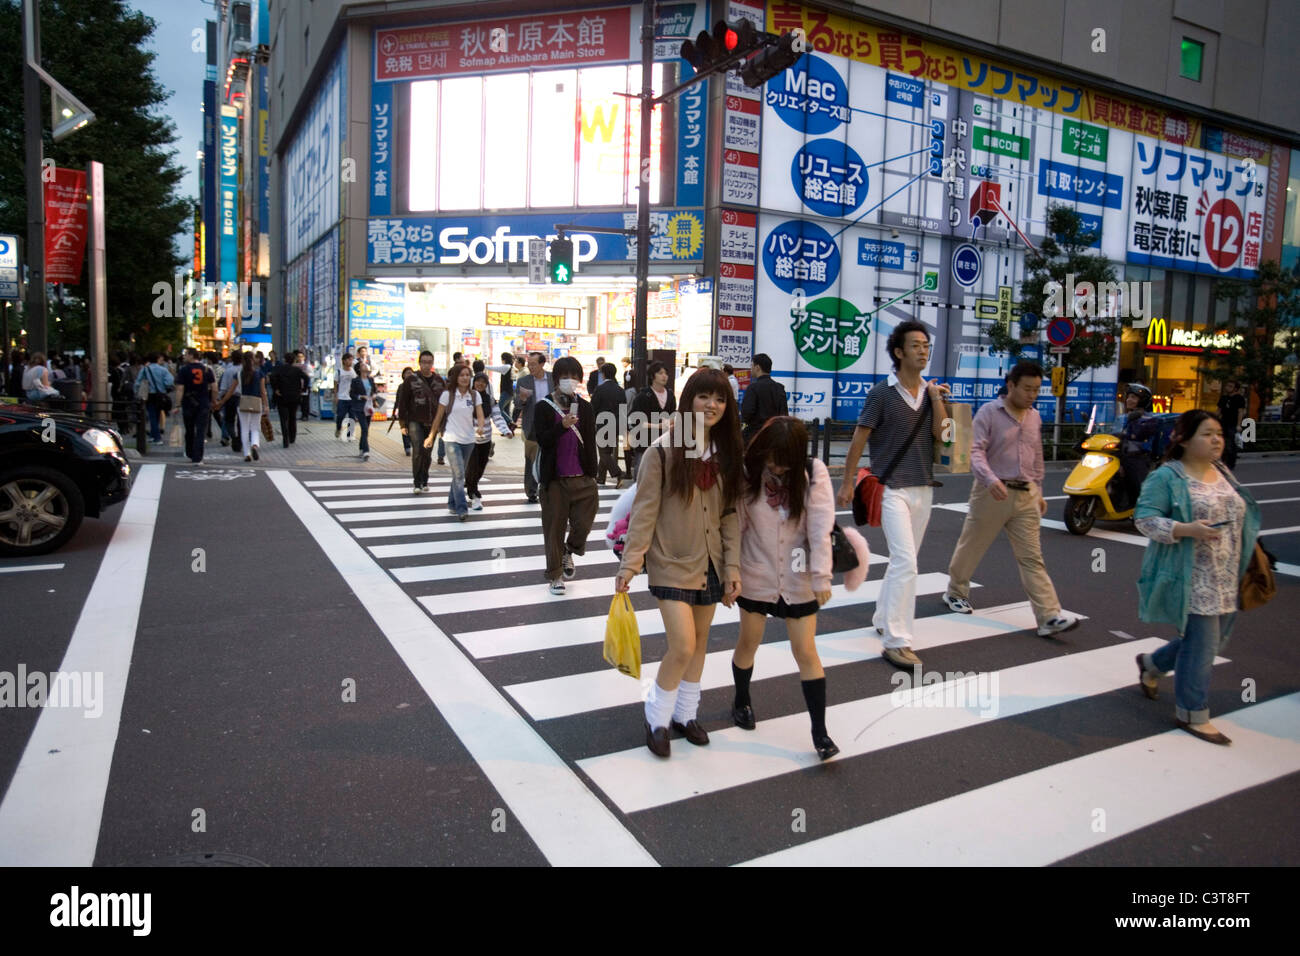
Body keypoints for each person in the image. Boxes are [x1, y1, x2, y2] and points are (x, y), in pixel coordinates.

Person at [616, 368, 744, 758]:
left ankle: (685, 714)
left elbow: (730, 516)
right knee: (683, 644)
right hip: (670, 560)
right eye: (704, 397)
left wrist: (733, 568)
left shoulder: (726, 455)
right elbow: (645, 512)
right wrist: (630, 564)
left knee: (702, 641)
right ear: (689, 401)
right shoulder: (662, 452)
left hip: (711, 564)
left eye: (720, 399)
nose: (713, 405)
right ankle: (656, 717)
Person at [1133, 410, 1261, 745]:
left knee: (1206, 641)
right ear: (1185, 439)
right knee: (1204, 645)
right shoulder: (1167, 477)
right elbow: (1144, 518)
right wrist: (1183, 529)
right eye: (1207, 433)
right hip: (1190, 575)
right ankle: (1192, 712)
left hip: (1227, 573)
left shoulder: (1221, 472)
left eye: (1219, 432)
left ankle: (1152, 664)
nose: (1216, 439)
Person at [835, 320, 950, 669]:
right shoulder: (881, 394)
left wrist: (935, 399)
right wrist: (847, 481)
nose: (923, 351)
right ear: (898, 352)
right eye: (916, 345)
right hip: (891, 489)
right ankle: (897, 640)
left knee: (905, 561)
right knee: (906, 562)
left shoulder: (929, 394)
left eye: (926, 345)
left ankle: (884, 618)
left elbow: (944, 436)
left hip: (923, 488)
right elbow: (859, 438)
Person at [731, 416, 840, 760]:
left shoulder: (812, 472)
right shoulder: (748, 475)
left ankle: (819, 732)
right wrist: (731, 571)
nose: (776, 465)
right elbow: (735, 526)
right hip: (756, 569)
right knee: (749, 642)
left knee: (805, 651)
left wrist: (822, 575)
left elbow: (822, 525)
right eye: (770, 456)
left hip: (798, 572)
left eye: (783, 458)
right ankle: (742, 699)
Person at [943, 361, 1077, 636]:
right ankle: (956, 591)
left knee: (1032, 558)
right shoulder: (989, 412)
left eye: (1037, 389)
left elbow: (1036, 455)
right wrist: (990, 479)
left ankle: (1048, 616)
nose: (1032, 394)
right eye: (1027, 388)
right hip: (991, 491)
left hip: (1025, 494)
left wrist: (1037, 490)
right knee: (972, 545)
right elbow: (975, 451)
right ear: (1011, 385)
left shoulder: (1035, 417)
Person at [533, 357, 600, 594]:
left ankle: (569, 551)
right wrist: (561, 426)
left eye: (574, 376)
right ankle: (555, 577)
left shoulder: (585, 407)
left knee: (584, 521)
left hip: (582, 476)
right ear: (556, 379)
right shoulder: (543, 406)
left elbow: (590, 441)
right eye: (565, 376)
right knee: (554, 528)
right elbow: (541, 439)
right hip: (555, 479)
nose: (570, 380)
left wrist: (594, 472)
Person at [425, 363, 485, 521]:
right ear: (456, 378)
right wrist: (431, 436)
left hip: (469, 439)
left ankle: (452, 503)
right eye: (462, 375)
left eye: (467, 375)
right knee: (459, 475)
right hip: (451, 439)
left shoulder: (474, 395)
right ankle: (461, 508)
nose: (465, 378)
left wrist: (480, 426)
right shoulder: (447, 394)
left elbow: (480, 414)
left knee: (458, 474)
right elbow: (438, 417)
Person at [397, 350, 446, 494]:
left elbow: (444, 404)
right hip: (415, 420)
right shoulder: (411, 380)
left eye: (429, 362)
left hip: (433, 422)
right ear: (419, 363)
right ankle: (417, 482)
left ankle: (425, 479)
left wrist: (443, 425)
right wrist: (402, 424)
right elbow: (403, 402)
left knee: (427, 452)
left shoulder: (439, 380)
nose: (426, 365)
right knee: (418, 450)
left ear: (432, 363)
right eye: (424, 362)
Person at [466, 372, 515, 509]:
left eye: (483, 382)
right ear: (473, 382)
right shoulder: (467, 398)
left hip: (486, 440)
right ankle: (474, 494)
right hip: (470, 440)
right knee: (473, 467)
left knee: (481, 467)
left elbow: (497, 416)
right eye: (478, 381)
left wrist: (505, 430)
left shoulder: (490, 399)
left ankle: (470, 484)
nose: (480, 384)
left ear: (486, 385)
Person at [514, 352, 550, 504]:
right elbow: (516, 405)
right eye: (529, 364)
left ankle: (548, 487)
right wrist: (522, 399)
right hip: (532, 425)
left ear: (542, 364)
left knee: (549, 458)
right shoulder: (524, 380)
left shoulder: (553, 378)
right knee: (531, 460)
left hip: (551, 423)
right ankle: (531, 491)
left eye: (534, 364)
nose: (531, 367)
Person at [628, 361, 675, 476]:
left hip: (665, 440)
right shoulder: (643, 396)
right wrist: (657, 426)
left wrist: (672, 422)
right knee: (642, 471)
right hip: (645, 440)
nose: (664, 376)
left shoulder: (670, 395)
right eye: (660, 373)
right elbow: (635, 420)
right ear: (652, 376)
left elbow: (673, 414)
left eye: (666, 373)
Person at [1118, 383, 1160, 509]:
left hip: (1138, 456)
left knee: (1136, 478)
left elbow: (1140, 437)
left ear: (1142, 401)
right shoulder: (1124, 417)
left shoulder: (1147, 419)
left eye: (1134, 398)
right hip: (1123, 453)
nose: (1129, 400)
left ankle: (1142, 507)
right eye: (1128, 397)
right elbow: (1113, 432)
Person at [173, 347, 219, 464]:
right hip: (203, 402)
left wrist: (177, 404)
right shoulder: (207, 370)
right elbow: (214, 388)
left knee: (189, 429)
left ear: (192, 356)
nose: (184, 356)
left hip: (188, 402)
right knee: (200, 430)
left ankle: (190, 452)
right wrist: (214, 401)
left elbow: (180, 389)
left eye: (186, 354)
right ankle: (198, 457)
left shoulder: (184, 370)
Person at [740, 353, 789, 445]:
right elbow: (784, 414)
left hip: (755, 436)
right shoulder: (779, 388)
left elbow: (747, 413)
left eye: (752, 366)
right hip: (775, 436)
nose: (751, 369)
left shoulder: (753, 388)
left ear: (757, 367)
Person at [591, 362, 628, 485]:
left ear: (603, 374)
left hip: (602, 424)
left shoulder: (600, 389)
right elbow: (623, 409)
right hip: (616, 424)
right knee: (607, 452)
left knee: (604, 453)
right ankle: (600, 477)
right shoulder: (620, 390)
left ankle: (618, 473)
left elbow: (593, 408)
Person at [267, 350, 309, 447]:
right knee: (292, 417)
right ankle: (292, 437)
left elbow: (272, 377)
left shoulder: (279, 369)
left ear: (285, 360)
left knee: (283, 419)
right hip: (294, 397)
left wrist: (275, 388)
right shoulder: (297, 370)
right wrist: (303, 389)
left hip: (282, 396)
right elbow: (306, 378)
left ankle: (285, 439)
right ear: (294, 360)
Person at [235, 352, 268, 462]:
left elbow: (232, 390)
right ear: (253, 360)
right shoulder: (259, 374)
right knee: (255, 428)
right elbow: (263, 391)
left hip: (243, 402)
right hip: (256, 402)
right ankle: (254, 445)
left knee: (244, 428)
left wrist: (221, 401)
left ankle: (247, 453)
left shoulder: (239, 374)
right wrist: (266, 405)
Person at [135, 353, 175, 444]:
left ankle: (156, 437)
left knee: (152, 415)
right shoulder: (163, 369)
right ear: (157, 359)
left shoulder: (145, 369)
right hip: (160, 394)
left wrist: (137, 392)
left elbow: (138, 382)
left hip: (149, 394)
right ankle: (155, 436)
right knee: (156, 415)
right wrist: (164, 386)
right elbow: (170, 381)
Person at [1216, 380, 1246, 470]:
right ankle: (1222, 462)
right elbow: (1219, 410)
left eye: (1230, 386)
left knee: (1231, 444)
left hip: (1233, 423)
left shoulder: (1239, 398)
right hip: (1223, 423)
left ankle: (1230, 463)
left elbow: (1240, 412)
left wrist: (1239, 425)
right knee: (1222, 443)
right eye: (1227, 386)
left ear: (1235, 389)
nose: (1227, 388)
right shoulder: (1224, 398)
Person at [350, 361, 376, 461]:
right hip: (359, 407)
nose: (365, 366)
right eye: (363, 365)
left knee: (366, 429)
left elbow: (374, 390)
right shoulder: (355, 381)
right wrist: (361, 396)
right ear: (359, 369)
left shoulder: (371, 379)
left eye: (366, 365)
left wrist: (374, 396)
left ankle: (361, 448)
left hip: (369, 407)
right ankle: (366, 451)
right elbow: (352, 394)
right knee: (364, 428)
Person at [335, 352, 358, 440]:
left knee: (352, 417)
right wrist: (336, 396)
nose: (350, 361)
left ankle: (349, 435)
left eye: (351, 360)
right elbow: (335, 384)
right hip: (341, 397)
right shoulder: (339, 372)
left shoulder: (353, 372)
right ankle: (338, 428)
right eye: (349, 359)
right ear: (344, 361)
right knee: (340, 416)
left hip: (351, 398)